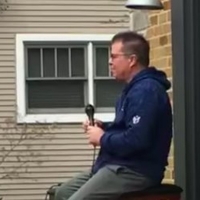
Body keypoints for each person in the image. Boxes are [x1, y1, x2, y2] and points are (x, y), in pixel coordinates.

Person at [55, 31, 172, 200]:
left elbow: (138, 140)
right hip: (115, 166)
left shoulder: (147, 91)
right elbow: (129, 128)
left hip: (136, 170)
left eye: (114, 56)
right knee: (63, 193)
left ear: (131, 60)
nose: (110, 62)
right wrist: (104, 128)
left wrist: (102, 138)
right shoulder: (132, 89)